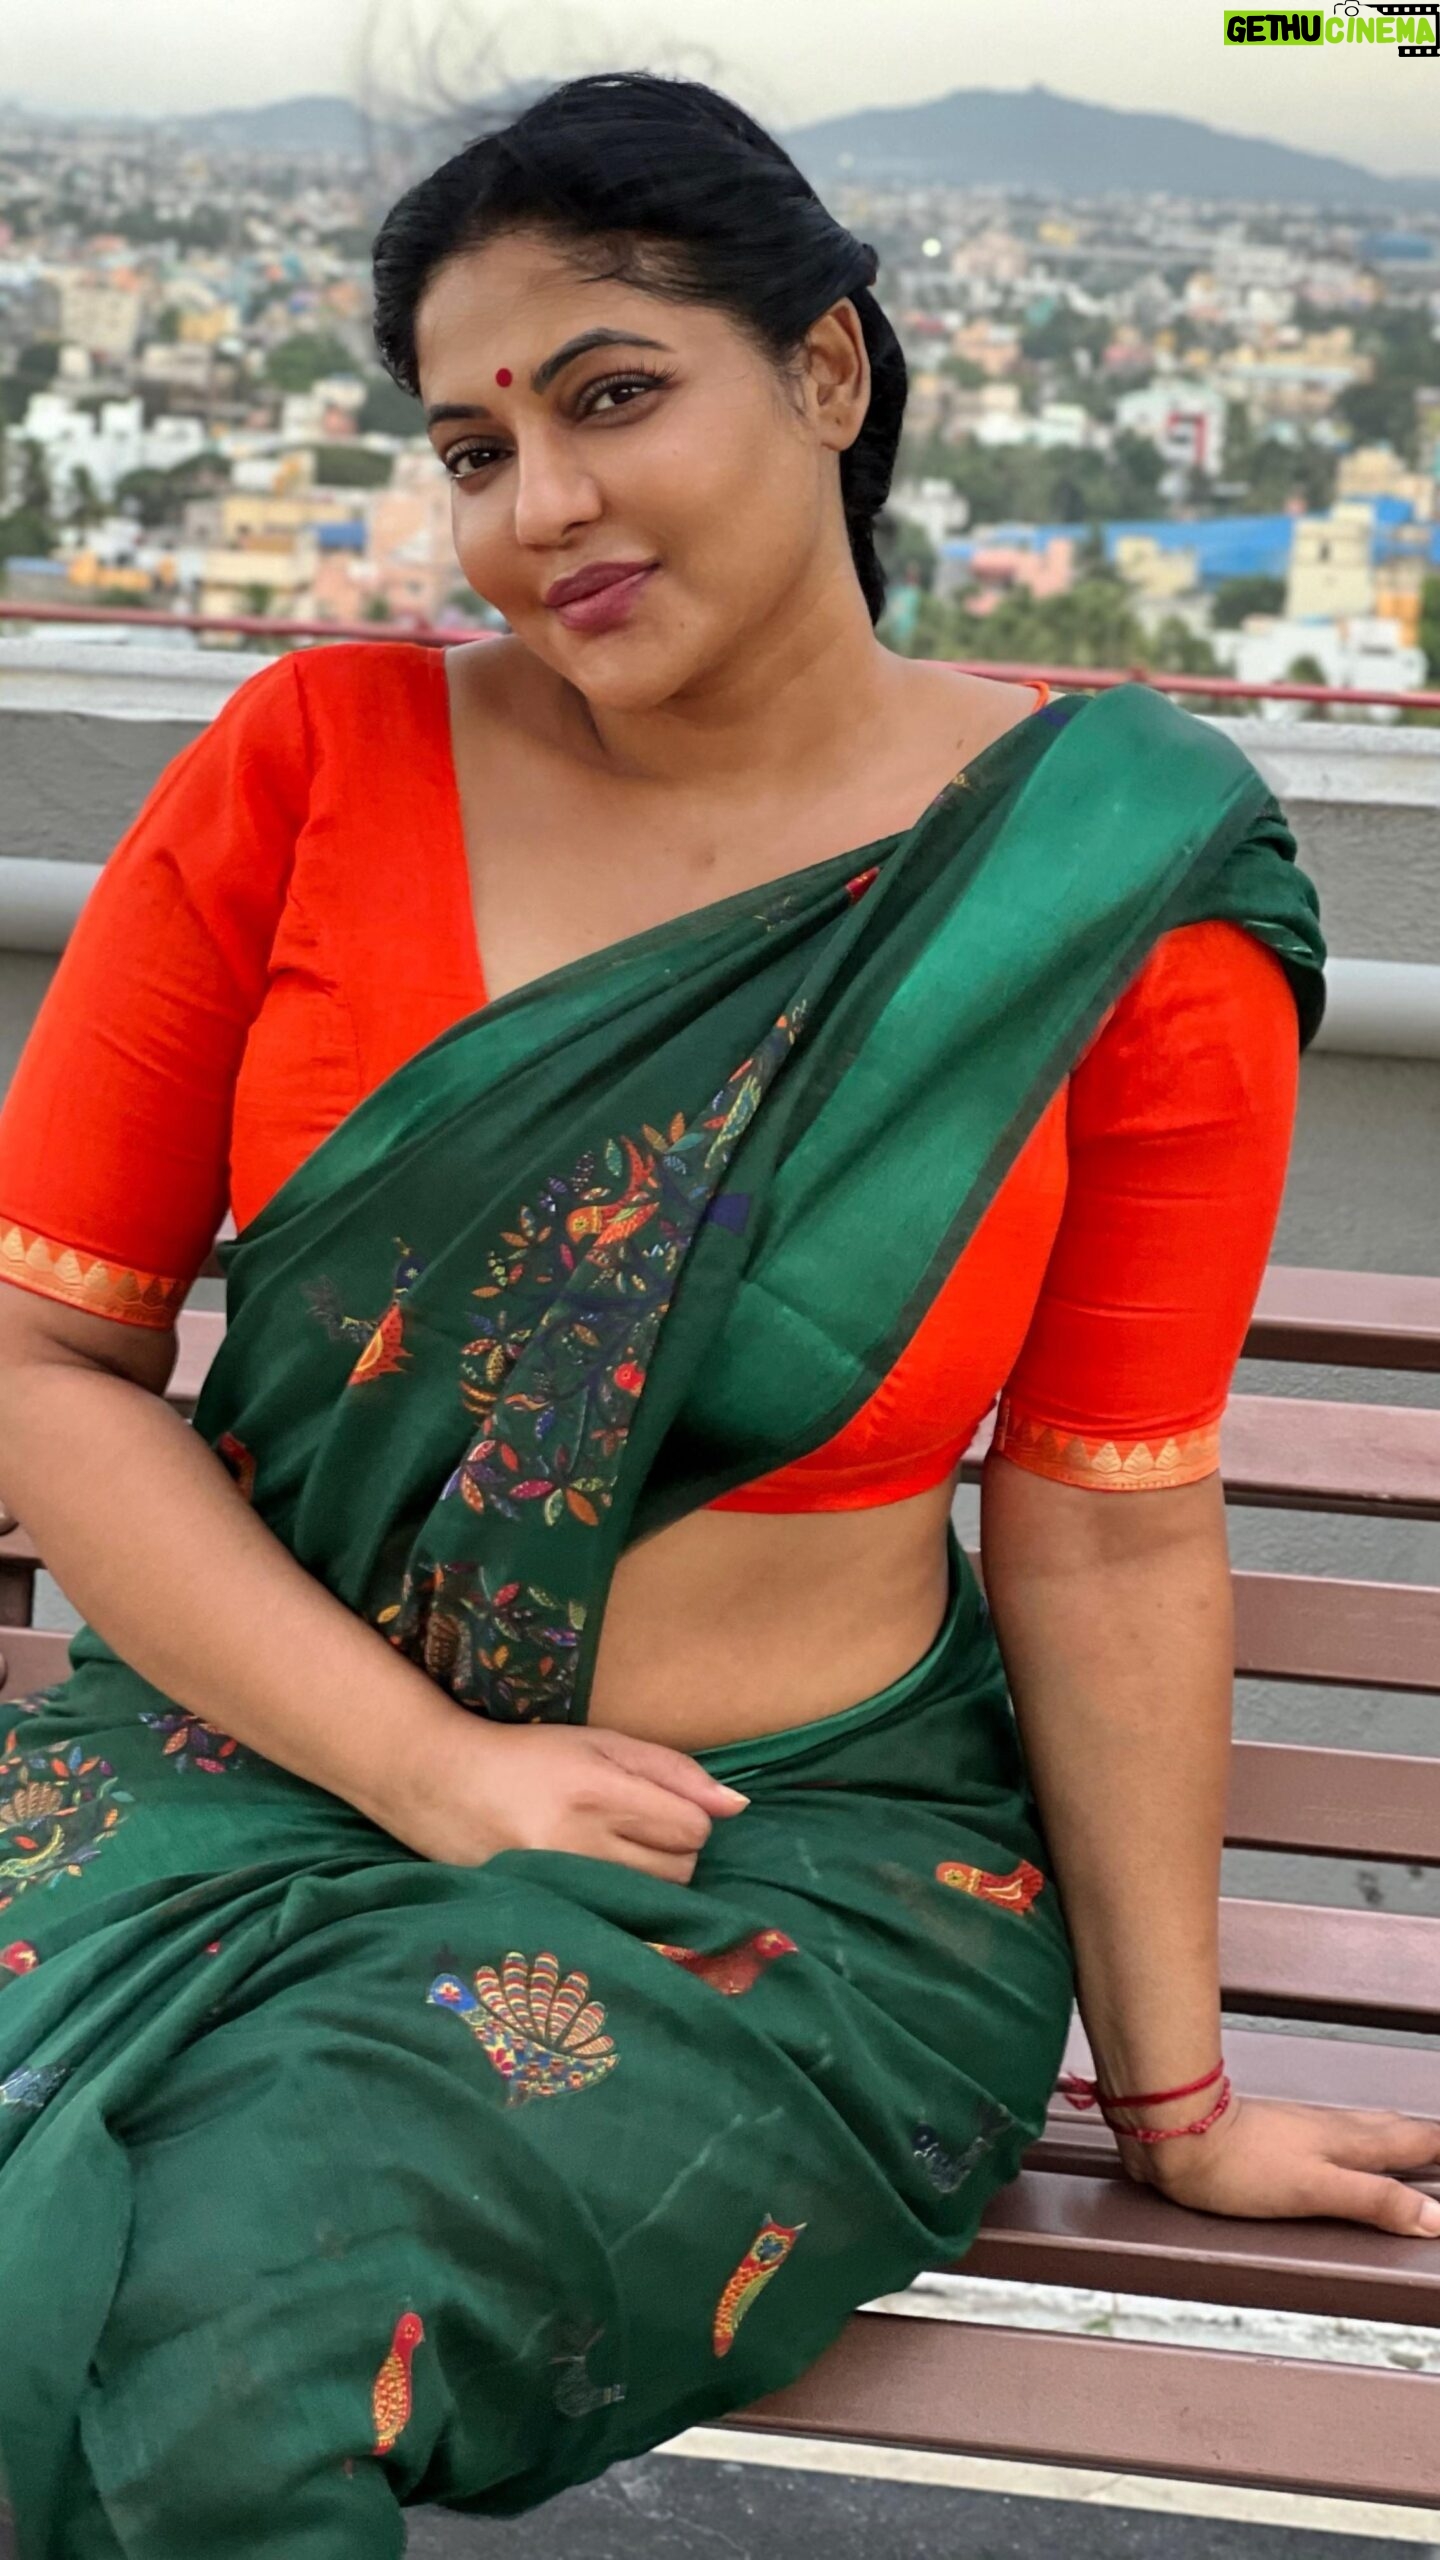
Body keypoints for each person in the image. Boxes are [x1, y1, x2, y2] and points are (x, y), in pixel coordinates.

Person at [0, 69, 1434, 2558]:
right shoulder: (310, 768)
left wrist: (1177, 2102)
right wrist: (429, 1763)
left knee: (194, 2332)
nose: (538, 503)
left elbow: (1108, 1521)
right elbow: (41, 1363)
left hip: (769, 1887)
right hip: (235, 1762)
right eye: (474, 445)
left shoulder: (1109, 885)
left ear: (830, 371)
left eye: (612, 394)